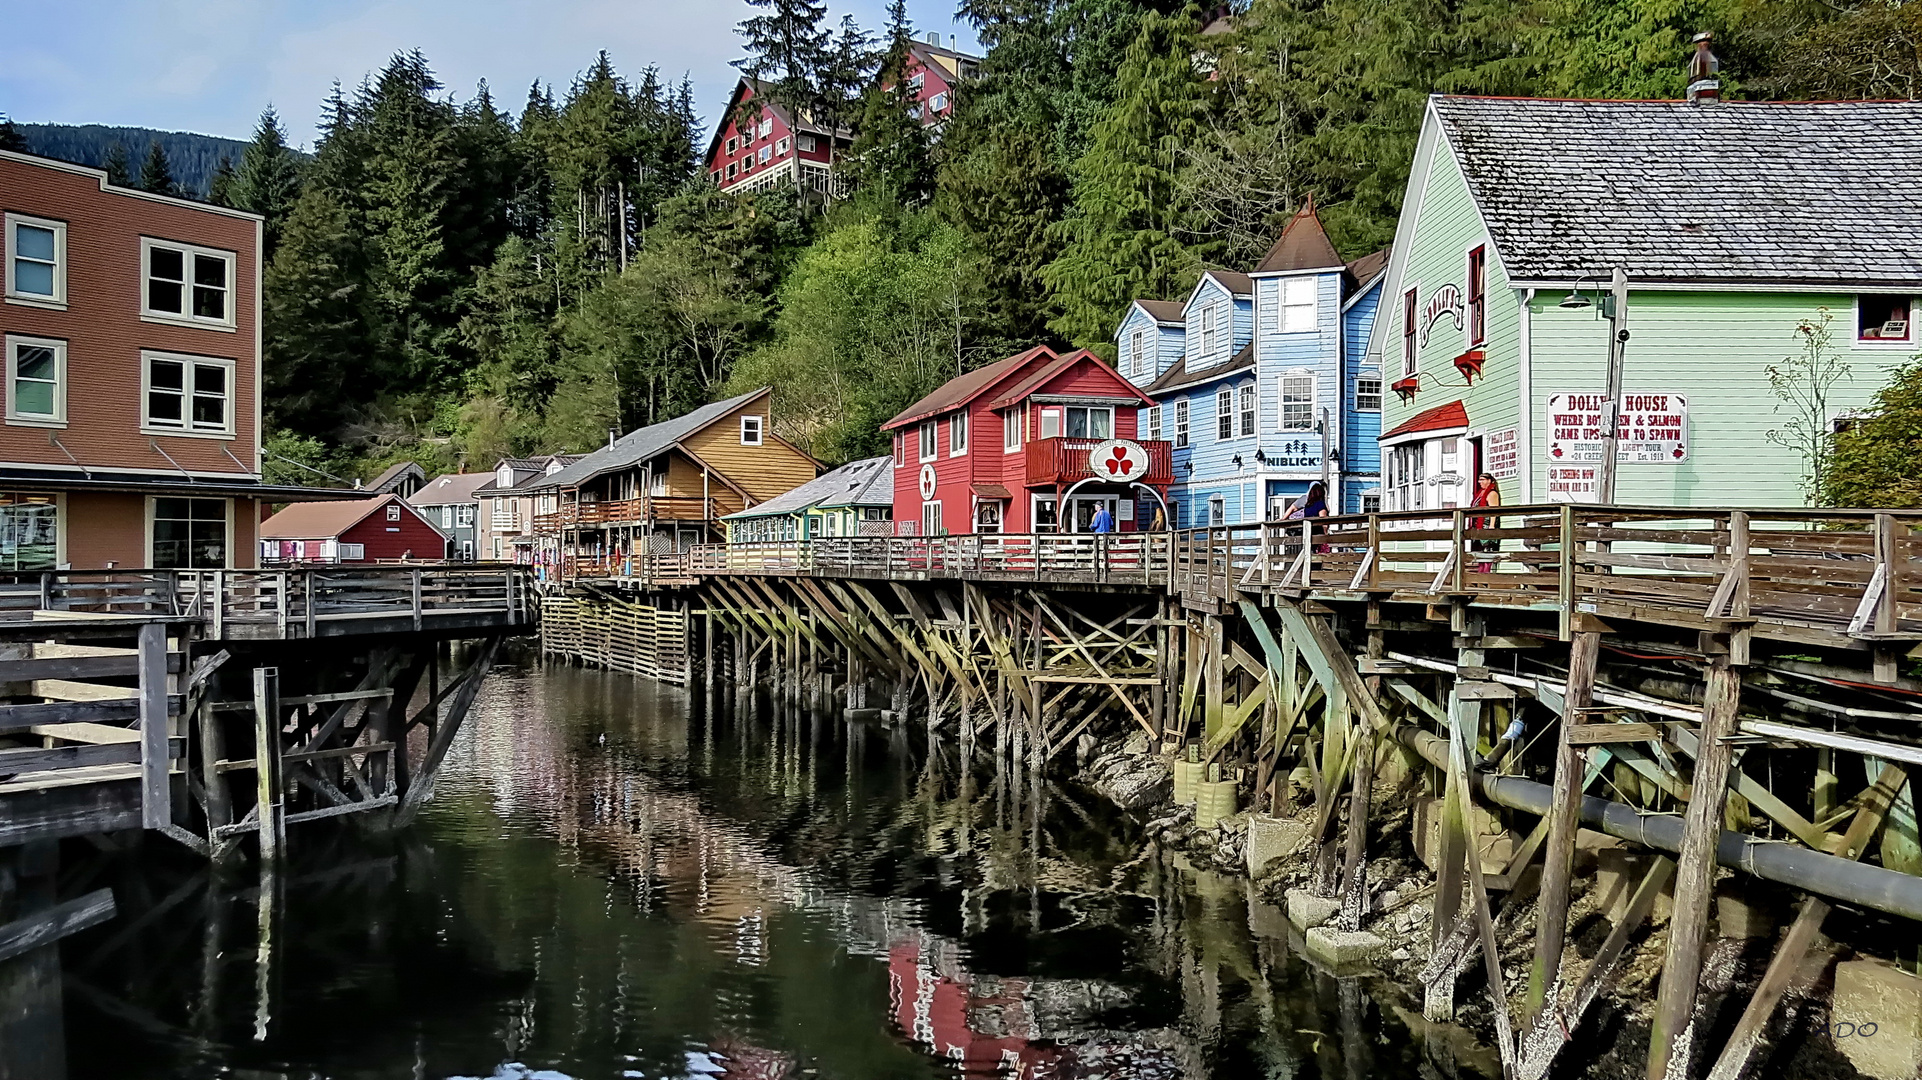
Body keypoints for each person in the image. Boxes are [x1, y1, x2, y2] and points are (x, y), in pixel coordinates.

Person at [1470, 472, 1501, 572]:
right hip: (1478, 526)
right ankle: (1480, 573)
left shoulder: (1492, 493)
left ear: (1489, 481)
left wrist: (1491, 526)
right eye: (1479, 480)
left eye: (1482, 480)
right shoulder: (1480, 493)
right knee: (1480, 551)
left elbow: (1494, 511)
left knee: (1487, 550)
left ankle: (1486, 573)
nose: (1480, 482)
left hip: (1486, 525)